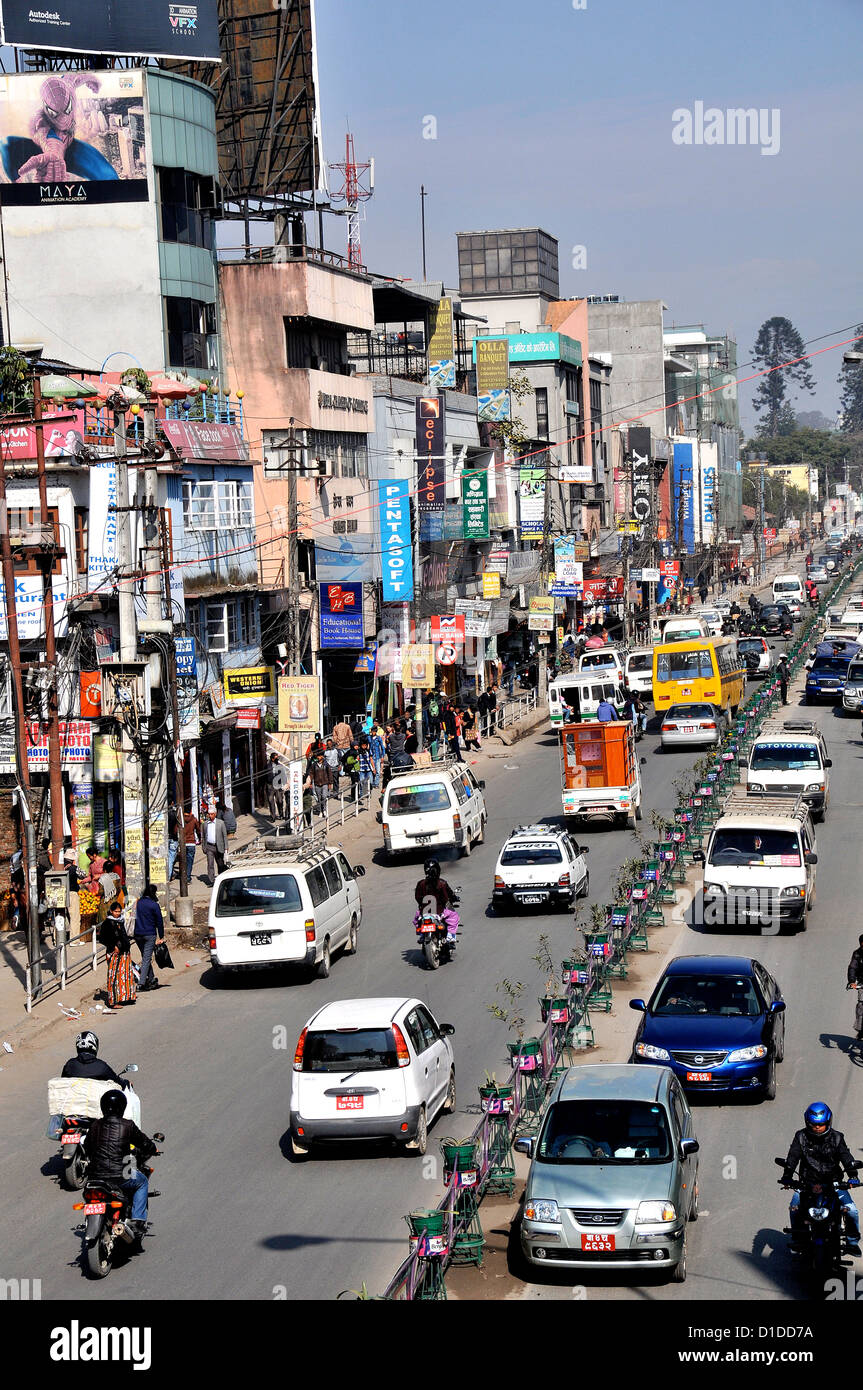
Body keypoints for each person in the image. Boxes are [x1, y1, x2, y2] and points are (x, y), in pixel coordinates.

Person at [781, 1102, 861, 1256]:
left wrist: (853, 1176)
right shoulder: (801, 1136)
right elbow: (793, 1157)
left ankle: (852, 1242)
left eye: (821, 1124)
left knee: (851, 1211)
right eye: (813, 1124)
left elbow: (845, 1156)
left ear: (828, 1122)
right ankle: (799, 1239)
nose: (817, 1128)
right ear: (807, 1123)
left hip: (834, 1183)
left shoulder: (837, 1137)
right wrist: (787, 1176)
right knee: (794, 1208)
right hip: (806, 1182)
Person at [82, 1089, 158, 1242]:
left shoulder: (95, 1125)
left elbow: (87, 1148)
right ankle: (137, 1221)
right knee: (142, 1182)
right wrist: (153, 1149)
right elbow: (145, 1144)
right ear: (122, 1107)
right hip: (120, 1174)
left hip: (95, 1177)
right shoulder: (127, 1125)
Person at [99, 901, 137, 1007]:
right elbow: (102, 938)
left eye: (119, 912)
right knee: (114, 977)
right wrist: (112, 946)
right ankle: (113, 1001)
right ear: (111, 911)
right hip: (114, 954)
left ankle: (126, 997)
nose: (117, 913)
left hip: (124, 953)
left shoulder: (120, 921)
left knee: (125, 976)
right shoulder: (107, 923)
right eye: (116, 911)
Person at [414, 858, 460, 942]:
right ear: (438, 869)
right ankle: (450, 937)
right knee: (454, 917)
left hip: (424, 913)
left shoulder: (420, 883)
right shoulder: (441, 883)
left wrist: (422, 905)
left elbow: (417, 897)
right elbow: (446, 898)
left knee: (417, 920)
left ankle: (422, 935)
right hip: (439, 913)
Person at [132, 884, 165, 993]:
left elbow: (133, 916)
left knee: (145, 957)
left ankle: (151, 979)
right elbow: (159, 922)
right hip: (149, 934)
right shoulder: (154, 905)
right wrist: (161, 936)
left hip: (137, 934)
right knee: (146, 959)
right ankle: (141, 984)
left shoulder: (138, 903)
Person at [61, 1031, 126, 1084]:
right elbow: (117, 1082)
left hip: (73, 1099)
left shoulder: (70, 1064)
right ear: (94, 1046)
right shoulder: (101, 1066)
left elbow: (63, 1081)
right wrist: (126, 1083)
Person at [203, 809, 228, 885]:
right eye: (209, 814)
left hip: (218, 846)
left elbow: (224, 836)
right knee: (210, 864)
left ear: (215, 814)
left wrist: (226, 847)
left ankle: (221, 878)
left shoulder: (221, 823)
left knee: (220, 863)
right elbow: (203, 836)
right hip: (209, 846)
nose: (210, 816)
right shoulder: (205, 824)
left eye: (212, 814)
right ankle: (212, 880)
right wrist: (204, 847)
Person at [846, 934, 863, 1040]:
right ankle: (861, 1029)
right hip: (862, 982)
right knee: (861, 1004)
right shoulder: (857, 954)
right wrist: (852, 981)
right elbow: (852, 967)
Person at [307, 749, 333, 816]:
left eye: (320, 756)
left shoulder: (326, 764)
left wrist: (330, 783)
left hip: (325, 783)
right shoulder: (314, 765)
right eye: (317, 756)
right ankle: (320, 811)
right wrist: (310, 783)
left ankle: (324, 810)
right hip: (317, 783)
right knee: (318, 798)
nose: (318, 757)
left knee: (324, 796)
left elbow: (329, 773)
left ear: (322, 757)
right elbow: (311, 773)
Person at [265, 753, 286, 819]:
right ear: (272, 758)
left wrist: (283, 785)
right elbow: (264, 776)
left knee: (280, 801)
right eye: (275, 758)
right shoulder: (267, 766)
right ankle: (273, 816)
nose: (277, 759)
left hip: (278, 785)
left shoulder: (279, 766)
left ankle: (281, 814)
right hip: (270, 785)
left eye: (277, 758)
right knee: (271, 801)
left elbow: (283, 775)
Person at [182, 808, 199, 884]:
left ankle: (183, 876)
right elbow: (198, 830)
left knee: (183, 861)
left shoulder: (181, 819)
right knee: (190, 861)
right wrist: (200, 838)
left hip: (183, 843)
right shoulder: (194, 819)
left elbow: (175, 830)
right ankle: (188, 877)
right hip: (191, 842)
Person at [167, 801, 179, 883]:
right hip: (173, 838)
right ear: (172, 803)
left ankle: (168, 875)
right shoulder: (175, 814)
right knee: (171, 859)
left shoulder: (162, 813)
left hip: (165, 838)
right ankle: (168, 876)